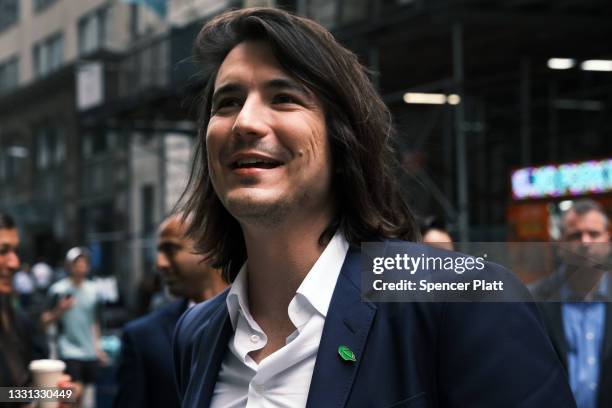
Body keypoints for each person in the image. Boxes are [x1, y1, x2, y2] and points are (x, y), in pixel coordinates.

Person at [173, 8, 576, 407]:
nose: (245, 121)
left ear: (342, 137)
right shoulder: (196, 335)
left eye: (283, 98)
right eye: (227, 102)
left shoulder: (465, 302)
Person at [113, 215, 227, 408]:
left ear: (211, 248)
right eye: (158, 251)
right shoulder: (143, 336)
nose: (160, 263)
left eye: (170, 249)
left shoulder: (267, 319)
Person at [533, 199, 612, 408]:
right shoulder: (534, 301)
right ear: (560, 245)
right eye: (575, 236)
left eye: (594, 234)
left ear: (608, 241)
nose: (585, 243)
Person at [0, 211, 80, 408]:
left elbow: (17, 391)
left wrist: (64, 393)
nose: (14, 262)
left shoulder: (16, 319)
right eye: (3, 250)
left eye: (15, 251)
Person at [41, 247, 108, 407]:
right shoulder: (58, 290)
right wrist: (60, 310)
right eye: (76, 263)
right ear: (69, 266)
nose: (80, 266)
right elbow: (44, 321)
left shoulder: (94, 291)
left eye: (83, 262)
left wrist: (98, 348)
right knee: (72, 395)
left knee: (89, 399)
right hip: (68, 350)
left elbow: (95, 322)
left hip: (89, 352)